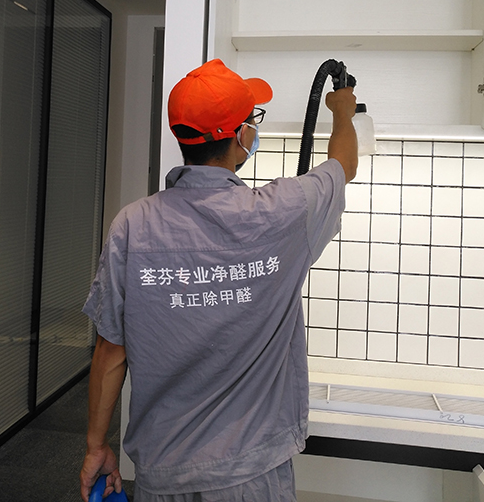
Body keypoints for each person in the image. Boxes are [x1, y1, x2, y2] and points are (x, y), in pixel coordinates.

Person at [79, 58, 358, 502]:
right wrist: (342, 111)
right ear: (242, 135)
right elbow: (343, 165)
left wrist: (96, 446)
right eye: (253, 120)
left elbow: (110, 352)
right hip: (253, 475)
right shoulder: (285, 211)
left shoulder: (131, 225)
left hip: (162, 474)